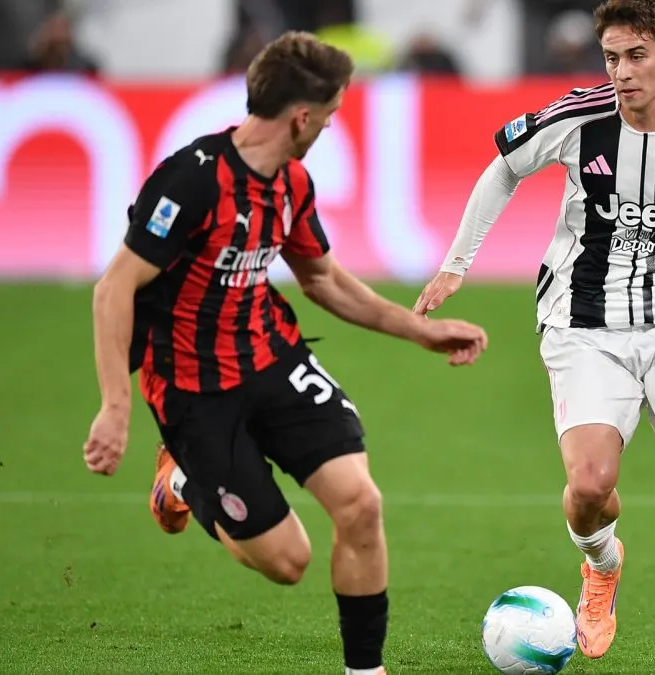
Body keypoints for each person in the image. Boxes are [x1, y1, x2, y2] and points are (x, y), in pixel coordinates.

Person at [412, 1, 655, 672]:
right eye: (612, 58)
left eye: (636, 56)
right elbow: (504, 165)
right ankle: (602, 565)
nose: (621, 73)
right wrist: (457, 262)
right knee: (591, 485)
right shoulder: (578, 118)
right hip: (582, 322)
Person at [83, 31, 489, 675]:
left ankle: (366, 670)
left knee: (361, 503)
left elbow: (322, 280)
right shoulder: (191, 181)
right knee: (287, 562)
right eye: (328, 116)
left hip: (274, 359)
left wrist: (420, 330)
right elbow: (114, 289)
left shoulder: (292, 183)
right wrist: (115, 405)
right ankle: (182, 477)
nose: (329, 126)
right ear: (302, 116)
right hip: (194, 388)